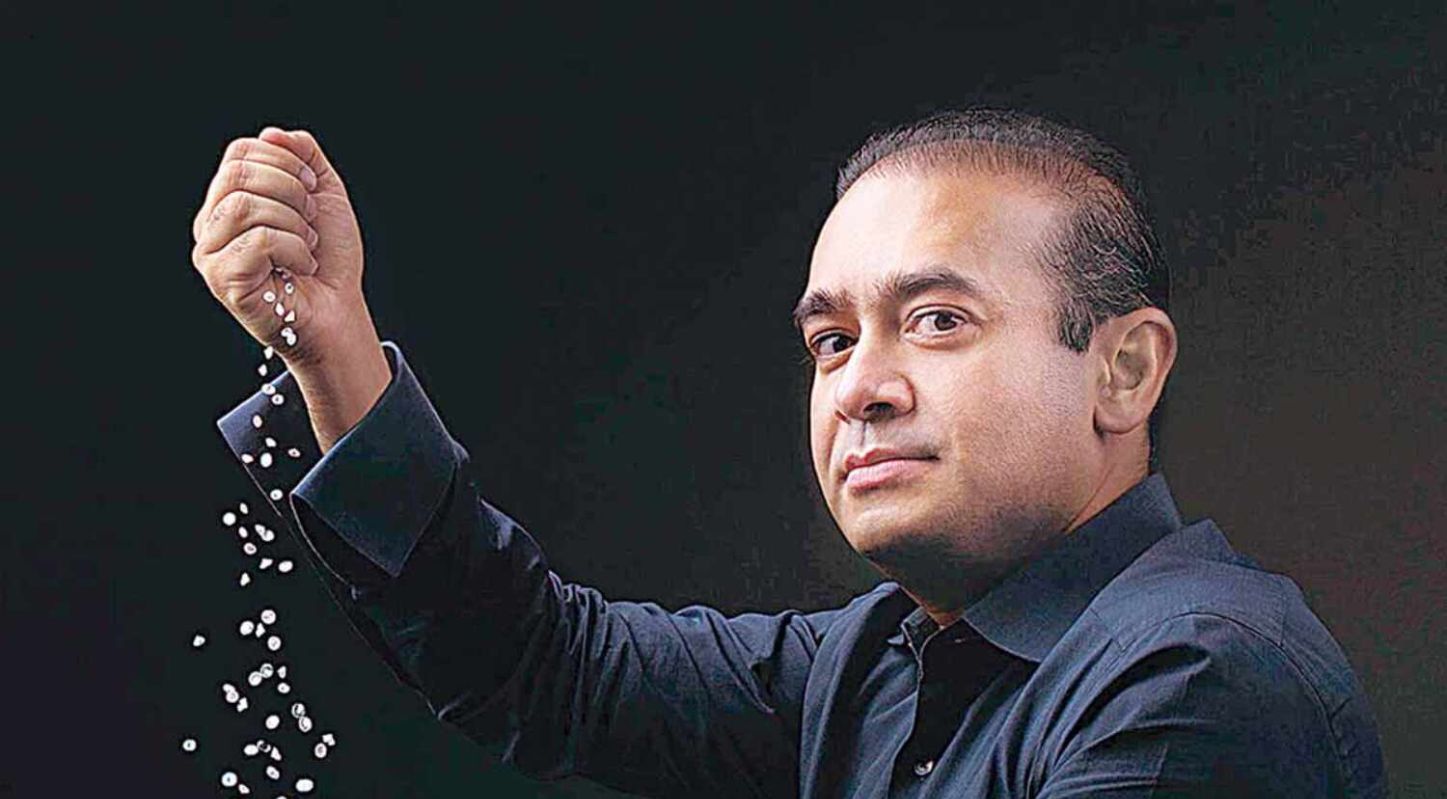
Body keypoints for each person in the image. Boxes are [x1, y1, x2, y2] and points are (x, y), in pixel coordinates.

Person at [191, 109, 1387, 797]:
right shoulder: (871, 666)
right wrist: (333, 350)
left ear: (1122, 369)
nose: (860, 386)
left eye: (937, 320)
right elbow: (543, 665)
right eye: (830, 339)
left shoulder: (1195, 680)